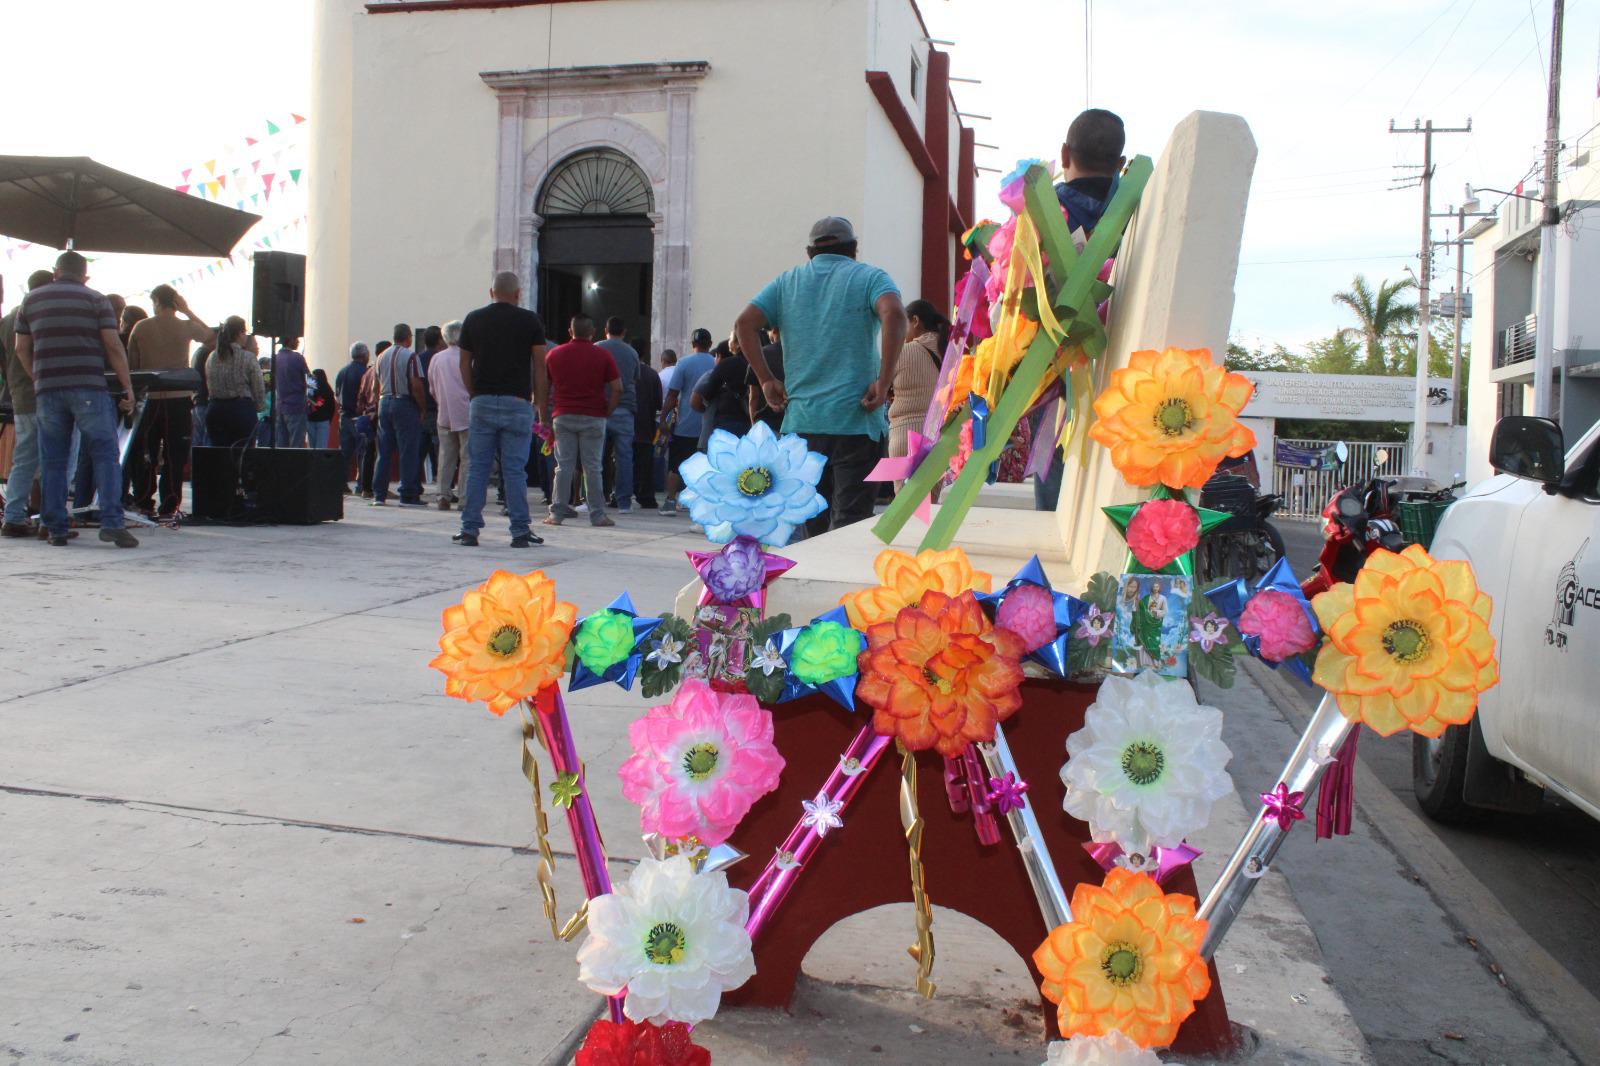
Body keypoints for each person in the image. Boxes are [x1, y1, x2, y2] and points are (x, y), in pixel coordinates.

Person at [735, 216, 906, 535]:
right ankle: (841, 584)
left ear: (809, 252)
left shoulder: (787, 282)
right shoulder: (869, 277)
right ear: (854, 248)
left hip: (802, 424)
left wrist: (766, 379)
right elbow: (894, 312)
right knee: (850, 522)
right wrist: (884, 381)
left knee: (809, 521)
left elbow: (744, 323)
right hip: (856, 421)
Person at [1033, 107, 1129, 511]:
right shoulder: (1140, 213)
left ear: (1064, 154)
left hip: (1055, 373)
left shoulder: (1040, 215)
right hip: (1129, 372)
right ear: (1122, 164)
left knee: (1056, 485)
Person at [13, 251, 139, 547]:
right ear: (85, 276)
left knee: (53, 460)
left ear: (55, 271)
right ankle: (111, 522)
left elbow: (21, 348)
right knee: (105, 455)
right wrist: (127, 386)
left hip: (47, 390)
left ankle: (55, 527)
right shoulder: (96, 300)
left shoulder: (30, 301)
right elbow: (112, 344)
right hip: (88, 387)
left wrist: (38, 378)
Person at [455, 270, 548, 547]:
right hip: (517, 403)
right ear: (518, 294)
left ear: (490, 292)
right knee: (515, 470)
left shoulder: (473, 319)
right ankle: (519, 531)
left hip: (482, 401)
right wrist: (540, 407)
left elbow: (464, 363)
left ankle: (470, 529)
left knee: (478, 468)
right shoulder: (530, 320)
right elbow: (540, 367)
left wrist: (474, 393)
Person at [125, 286, 215, 518]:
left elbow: (132, 365)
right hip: (178, 399)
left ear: (156, 301)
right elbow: (212, 340)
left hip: (150, 400)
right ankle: (170, 505)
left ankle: (144, 502)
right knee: (175, 455)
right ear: (175, 302)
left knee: (146, 454)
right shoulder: (185, 326)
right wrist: (188, 311)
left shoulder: (141, 327)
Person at [542, 314, 620, 528]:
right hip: (594, 416)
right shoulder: (602, 356)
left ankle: (557, 513)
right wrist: (607, 410)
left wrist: (543, 416)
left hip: (563, 414)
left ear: (570, 331)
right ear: (592, 332)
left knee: (563, 466)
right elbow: (617, 387)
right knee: (593, 467)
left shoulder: (554, 354)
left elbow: (543, 386)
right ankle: (598, 515)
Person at [1, 270, 60, 538]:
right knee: (55, 458)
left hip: (19, 395)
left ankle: (13, 516)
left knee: (23, 459)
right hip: (45, 392)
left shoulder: (7, 318)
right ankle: (50, 518)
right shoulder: (43, 313)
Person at [658, 329, 715, 516]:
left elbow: (672, 395)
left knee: (676, 465)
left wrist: (663, 419)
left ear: (692, 344)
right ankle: (700, 503)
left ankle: (670, 501)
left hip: (685, 425)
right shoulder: (716, 363)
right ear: (710, 343)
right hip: (708, 425)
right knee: (706, 466)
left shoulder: (683, 363)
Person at [887, 300, 947, 466]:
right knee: (932, 492)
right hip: (939, 438)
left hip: (905, 437)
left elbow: (878, 385)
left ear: (915, 320)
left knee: (905, 492)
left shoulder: (902, 351)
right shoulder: (949, 352)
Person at [372, 324, 426, 506]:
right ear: (408, 338)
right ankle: (408, 494)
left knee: (384, 451)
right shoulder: (410, 356)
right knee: (408, 450)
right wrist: (423, 408)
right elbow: (416, 386)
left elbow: (375, 387)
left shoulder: (381, 357)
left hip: (383, 402)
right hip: (403, 403)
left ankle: (379, 494)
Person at [595, 316, 640, 514]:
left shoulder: (597, 348)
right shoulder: (632, 353)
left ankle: (595, 499)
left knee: (595, 457)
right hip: (625, 409)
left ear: (606, 329)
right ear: (624, 331)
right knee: (624, 457)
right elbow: (634, 379)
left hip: (601, 408)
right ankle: (623, 502)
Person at [428, 319, 471, 510]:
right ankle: (464, 497)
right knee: (467, 457)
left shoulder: (436, 358)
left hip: (444, 411)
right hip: (466, 412)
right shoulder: (468, 356)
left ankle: (442, 495)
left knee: (446, 456)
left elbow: (432, 387)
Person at [204, 317, 265, 448]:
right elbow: (258, 387)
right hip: (241, 411)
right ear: (239, 333)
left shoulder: (212, 357)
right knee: (242, 457)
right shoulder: (248, 357)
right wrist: (259, 406)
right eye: (245, 332)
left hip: (215, 410)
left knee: (219, 457)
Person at [697, 331, 754, 443]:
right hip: (751, 419)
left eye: (730, 339)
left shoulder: (727, 364)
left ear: (738, 344)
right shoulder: (754, 362)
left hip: (727, 419)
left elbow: (708, 393)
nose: (729, 342)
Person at [335, 342, 371, 492]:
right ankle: (361, 485)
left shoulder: (342, 371)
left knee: (345, 452)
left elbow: (337, 395)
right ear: (364, 356)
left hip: (344, 416)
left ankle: (341, 484)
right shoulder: (366, 372)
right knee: (363, 452)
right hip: (360, 417)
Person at [632, 356, 663, 509]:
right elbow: (659, 402)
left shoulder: (625, 371)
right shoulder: (652, 374)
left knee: (622, 460)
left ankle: (619, 495)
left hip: (627, 423)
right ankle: (646, 496)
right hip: (646, 424)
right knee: (645, 463)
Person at [415, 325, 444, 485]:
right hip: (438, 410)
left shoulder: (418, 359)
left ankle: (414, 485)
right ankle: (443, 487)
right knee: (442, 453)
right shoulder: (441, 359)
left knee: (419, 451)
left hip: (421, 411)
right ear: (440, 340)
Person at [357, 341, 385, 497]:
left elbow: (360, 397)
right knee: (381, 452)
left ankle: (366, 488)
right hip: (378, 414)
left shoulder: (367, 373)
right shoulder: (381, 371)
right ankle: (379, 487)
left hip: (368, 415)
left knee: (369, 452)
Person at [272, 337, 310, 447]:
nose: (298, 341)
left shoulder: (275, 358)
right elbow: (311, 379)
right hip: (296, 406)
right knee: (296, 446)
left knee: (281, 445)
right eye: (295, 339)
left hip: (280, 407)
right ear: (289, 340)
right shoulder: (297, 357)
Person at [746, 326, 784, 432]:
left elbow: (754, 397)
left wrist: (754, 426)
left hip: (767, 423)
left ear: (774, 330)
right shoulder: (801, 353)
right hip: (796, 421)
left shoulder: (760, 355)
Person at [306, 368, 335, 449]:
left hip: (321, 421)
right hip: (315, 421)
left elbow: (328, 405)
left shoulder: (326, 390)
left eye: (315, 377)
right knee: (314, 447)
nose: (313, 379)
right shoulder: (312, 388)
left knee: (320, 447)